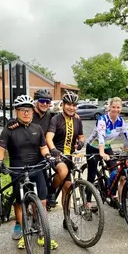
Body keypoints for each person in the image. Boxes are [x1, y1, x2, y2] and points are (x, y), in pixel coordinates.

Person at [0, 95, 59, 250]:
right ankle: (24, 233)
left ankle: (43, 233)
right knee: (20, 202)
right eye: (22, 110)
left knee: (42, 202)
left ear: (32, 111)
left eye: (29, 110)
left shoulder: (37, 129)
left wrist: (48, 156)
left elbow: (43, 148)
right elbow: (1, 148)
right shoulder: (9, 129)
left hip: (36, 168)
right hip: (17, 169)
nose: (26, 113)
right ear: (16, 111)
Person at [86, 97, 128, 204]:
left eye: (118, 107)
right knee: (92, 175)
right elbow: (101, 136)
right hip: (93, 147)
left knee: (115, 171)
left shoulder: (120, 121)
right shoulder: (103, 119)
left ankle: (111, 193)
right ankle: (88, 201)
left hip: (107, 147)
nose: (116, 110)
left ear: (121, 108)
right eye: (113, 107)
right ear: (109, 107)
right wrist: (101, 153)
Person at [46, 91, 85, 229]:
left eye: (74, 105)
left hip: (70, 157)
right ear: (63, 105)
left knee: (67, 187)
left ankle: (67, 219)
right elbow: (49, 137)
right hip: (57, 155)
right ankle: (51, 191)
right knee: (62, 171)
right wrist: (53, 149)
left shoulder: (77, 120)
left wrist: (81, 143)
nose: (71, 107)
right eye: (68, 104)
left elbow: (81, 137)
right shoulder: (56, 119)